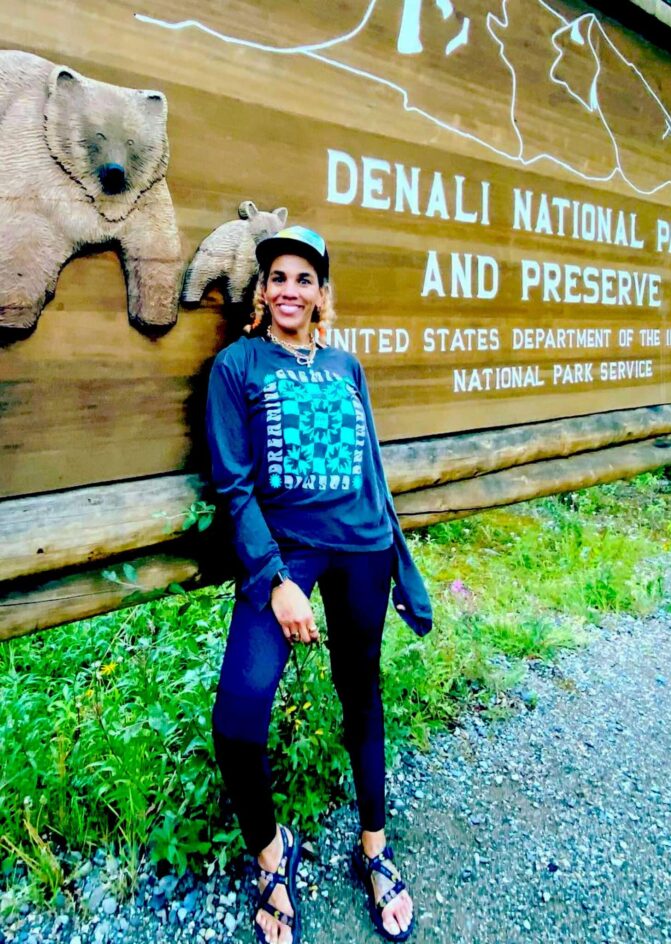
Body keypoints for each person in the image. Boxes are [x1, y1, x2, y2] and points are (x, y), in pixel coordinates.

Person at [205, 225, 432, 944]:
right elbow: (234, 486)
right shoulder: (237, 367)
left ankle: (374, 848)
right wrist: (274, 579)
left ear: (320, 292)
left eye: (304, 279)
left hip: (362, 548)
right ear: (261, 290)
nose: (290, 291)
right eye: (278, 277)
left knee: (361, 694)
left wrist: (397, 559)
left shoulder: (346, 367)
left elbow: (371, 470)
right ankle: (273, 857)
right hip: (289, 553)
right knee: (238, 719)